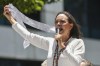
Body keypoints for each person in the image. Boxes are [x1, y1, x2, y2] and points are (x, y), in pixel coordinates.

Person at [3, 5, 85, 66]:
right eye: (56, 22)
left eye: (62, 21)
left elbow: (78, 63)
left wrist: (62, 46)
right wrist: (11, 19)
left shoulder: (77, 43)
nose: (58, 24)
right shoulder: (51, 42)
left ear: (70, 26)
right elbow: (29, 36)